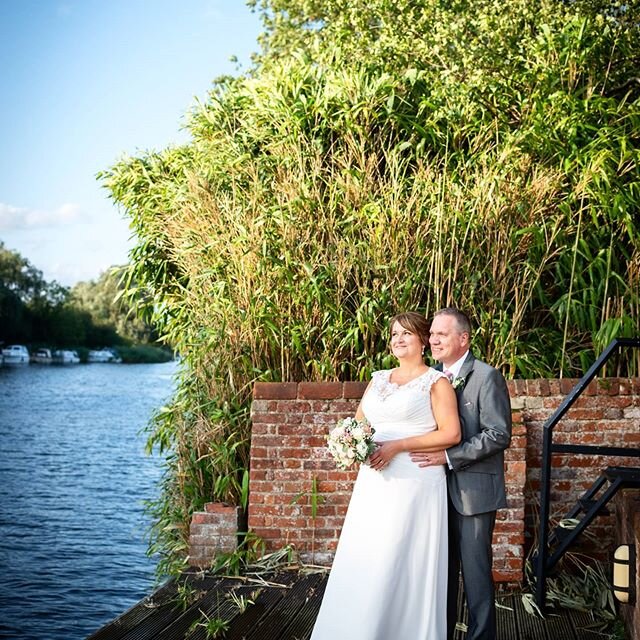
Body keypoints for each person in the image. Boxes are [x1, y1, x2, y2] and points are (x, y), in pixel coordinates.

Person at [311, 311, 461, 640]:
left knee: (400, 556)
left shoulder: (436, 382)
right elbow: (360, 423)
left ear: (423, 340)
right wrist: (349, 443)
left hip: (415, 480)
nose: (398, 340)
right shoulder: (378, 378)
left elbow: (451, 433)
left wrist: (398, 446)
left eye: (406, 334)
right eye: (394, 334)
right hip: (375, 482)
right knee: (368, 552)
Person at [410, 308, 512, 640]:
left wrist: (449, 456)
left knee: (476, 574)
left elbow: (498, 434)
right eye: (432, 334)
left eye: (441, 333)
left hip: (474, 494)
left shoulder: (486, 376)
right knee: (441, 573)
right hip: (435, 492)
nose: (433, 339)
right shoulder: (430, 378)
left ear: (463, 338)